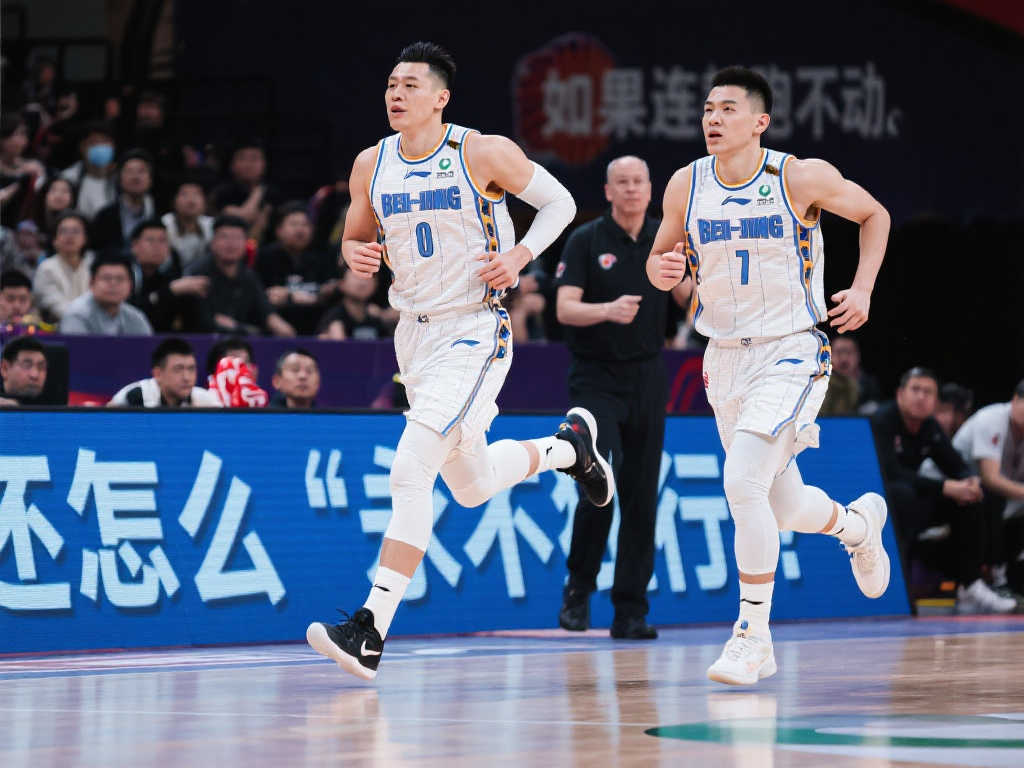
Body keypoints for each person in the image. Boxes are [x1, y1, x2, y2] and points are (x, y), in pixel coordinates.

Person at [306, 42, 610, 681]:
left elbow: (560, 203)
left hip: (474, 330)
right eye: (391, 84)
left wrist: (520, 256)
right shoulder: (371, 163)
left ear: (440, 98)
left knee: (410, 469)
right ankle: (568, 450)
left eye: (410, 85)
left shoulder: (480, 152)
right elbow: (355, 238)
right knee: (470, 488)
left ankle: (370, 628)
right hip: (413, 336)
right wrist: (354, 254)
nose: (396, 94)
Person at [647, 66, 893, 685]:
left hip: (791, 350)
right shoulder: (686, 183)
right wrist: (663, 271)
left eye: (727, 108)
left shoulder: (797, 176)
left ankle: (753, 635)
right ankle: (858, 526)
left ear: (761, 121)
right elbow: (660, 259)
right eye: (708, 108)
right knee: (780, 505)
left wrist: (863, 288)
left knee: (741, 482)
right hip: (723, 356)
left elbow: (875, 215)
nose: (713, 118)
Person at [555, 155, 689, 639]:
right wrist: (607, 310)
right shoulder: (586, 239)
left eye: (639, 182)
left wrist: (690, 278)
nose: (632, 189)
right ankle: (579, 589)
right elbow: (565, 308)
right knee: (599, 483)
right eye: (622, 182)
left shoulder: (665, 239)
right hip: (595, 377)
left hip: (648, 376)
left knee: (642, 495)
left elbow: (692, 299)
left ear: (651, 190)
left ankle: (631, 610)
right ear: (608, 191)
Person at [871, 368, 1013, 613]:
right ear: (900, 394)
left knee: (976, 497)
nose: (921, 397)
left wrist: (970, 481)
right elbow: (890, 473)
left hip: (917, 498)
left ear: (935, 401)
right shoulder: (882, 420)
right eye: (915, 389)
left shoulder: (930, 427)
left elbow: (955, 464)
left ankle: (971, 584)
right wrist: (945, 487)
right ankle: (896, 589)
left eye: (928, 392)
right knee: (902, 495)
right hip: (880, 502)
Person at [185, 215, 296, 336]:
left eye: (237, 238)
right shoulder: (197, 273)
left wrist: (286, 331)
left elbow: (267, 313)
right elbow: (206, 321)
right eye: (224, 237)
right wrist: (242, 328)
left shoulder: (248, 275)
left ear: (246, 243)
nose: (231, 244)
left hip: (241, 339)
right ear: (212, 242)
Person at [256, 201, 339, 334]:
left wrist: (290, 295)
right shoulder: (265, 257)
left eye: (305, 225)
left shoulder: (323, 256)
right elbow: (261, 296)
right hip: (277, 328)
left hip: (318, 327)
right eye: (294, 224)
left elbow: (331, 288)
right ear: (279, 230)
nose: (300, 230)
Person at [127, 219, 207, 331]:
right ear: (134, 246)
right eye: (150, 240)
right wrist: (168, 292)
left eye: (163, 241)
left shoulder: (172, 274)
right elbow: (128, 311)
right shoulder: (124, 272)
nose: (157, 246)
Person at [109, 337, 221, 407]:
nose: (187, 377)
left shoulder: (205, 400)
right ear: (158, 374)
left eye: (191, 369)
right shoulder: (135, 396)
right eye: (178, 369)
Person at [60, 252, 154, 335]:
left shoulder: (136, 318)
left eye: (120, 279)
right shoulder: (77, 315)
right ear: (91, 283)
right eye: (106, 278)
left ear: (131, 285)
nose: (113, 284)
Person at [89, 149, 157, 253]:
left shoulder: (158, 216)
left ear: (150, 179)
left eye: (141, 171)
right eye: (130, 171)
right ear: (120, 178)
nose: (135, 177)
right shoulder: (104, 217)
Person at [210, 140, 280, 240]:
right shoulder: (222, 192)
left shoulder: (273, 193)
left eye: (254, 159)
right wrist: (259, 191)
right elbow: (242, 218)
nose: (248, 164)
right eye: (242, 158)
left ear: (264, 164)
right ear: (232, 165)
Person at [32, 210, 93, 322]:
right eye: (63, 231)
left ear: (85, 238)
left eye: (75, 231)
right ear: (54, 240)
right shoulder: (46, 269)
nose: (69, 236)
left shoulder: (93, 265)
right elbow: (55, 307)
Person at [59, 122, 117, 219]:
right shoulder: (68, 178)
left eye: (105, 141)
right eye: (94, 142)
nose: (100, 146)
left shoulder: (122, 178)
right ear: (82, 147)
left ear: (113, 146)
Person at [317, 264, 388, 340]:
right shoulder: (333, 318)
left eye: (368, 277)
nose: (362, 282)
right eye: (356, 276)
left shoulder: (377, 317)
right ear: (341, 283)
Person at [160, 179, 214, 267]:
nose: (191, 200)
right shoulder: (164, 224)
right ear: (174, 201)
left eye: (196, 194)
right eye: (184, 194)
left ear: (205, 202)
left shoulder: (211, 225)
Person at [205, 336, 268, 407]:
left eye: (246, 362)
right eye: (233, 362)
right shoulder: (203, 402)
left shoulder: (263, 402)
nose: (243, 369)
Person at [831, 334, 882, 413]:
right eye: (838, 352)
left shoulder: (870, 385)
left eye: (849, 352)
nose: (844, 358)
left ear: (858, 355)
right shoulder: (818, 383)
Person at [0, 335, 47, 406]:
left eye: (41, 367)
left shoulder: (57, 406)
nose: (34, 375)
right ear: (5, 369)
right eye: (27, 366)